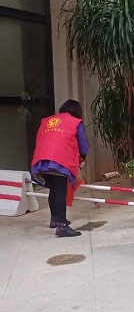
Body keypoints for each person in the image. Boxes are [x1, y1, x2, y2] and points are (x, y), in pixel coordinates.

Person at [31, 99, 89, 237]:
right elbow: (83, 143)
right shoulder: (75, 122)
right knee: (61, 192)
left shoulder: (46, 121)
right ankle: (62, 226)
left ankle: (55, 219)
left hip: (42, 160)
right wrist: (82, 158)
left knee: (54, 190)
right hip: (59, 160)